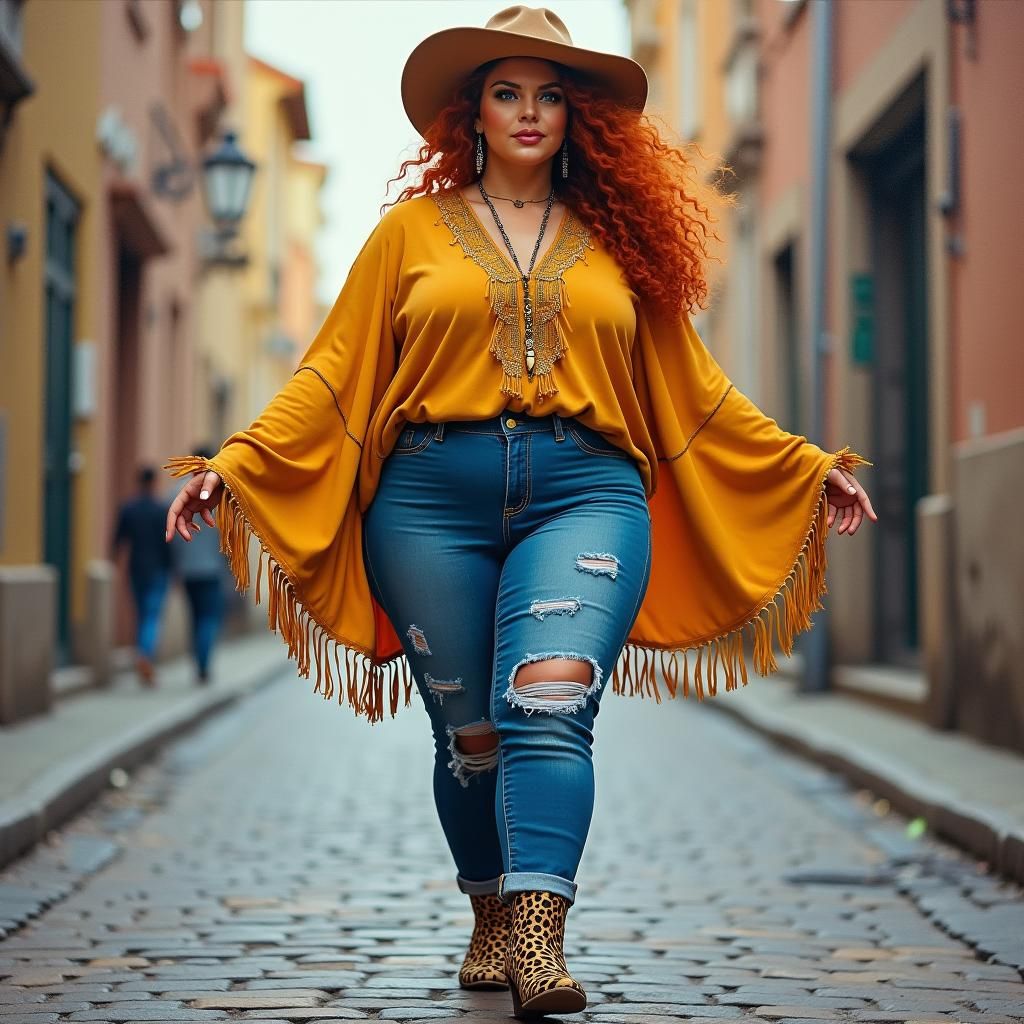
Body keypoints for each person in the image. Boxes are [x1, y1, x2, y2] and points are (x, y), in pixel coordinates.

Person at [165, 6, 877, 1017]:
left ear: (577, 116)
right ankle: (488, 910)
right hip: (426, 502)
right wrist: (236, 464)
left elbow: (697, 389)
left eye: (550, 94)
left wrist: (804, 465)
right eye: (508, 92)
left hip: (586, 494)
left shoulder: (621, 247)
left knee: (548, 708)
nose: (530, 111)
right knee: (472, 735)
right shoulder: (406, 234)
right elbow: (331, 375)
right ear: (476, 112)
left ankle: (540, 943)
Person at [113, 465, 172, 687]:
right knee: (151, 616)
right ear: (154, 483)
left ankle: (142, 654)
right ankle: (145, 654)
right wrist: (172, 568)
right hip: (158, 570)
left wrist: (116, 563)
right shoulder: (161, 510)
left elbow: (118, 541)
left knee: (141, 614)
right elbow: (169, 542)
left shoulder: (128, 509)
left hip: (136, 569)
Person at [171, 446, 225, 685]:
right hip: (211, 570)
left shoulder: (175, 492)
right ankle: (203, 665)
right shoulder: (220, 496)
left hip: (187, 570)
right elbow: (228, 537)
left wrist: (175, 565)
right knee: (208, 619)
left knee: (195, 618)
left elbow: (170, 531)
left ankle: (198, 664)